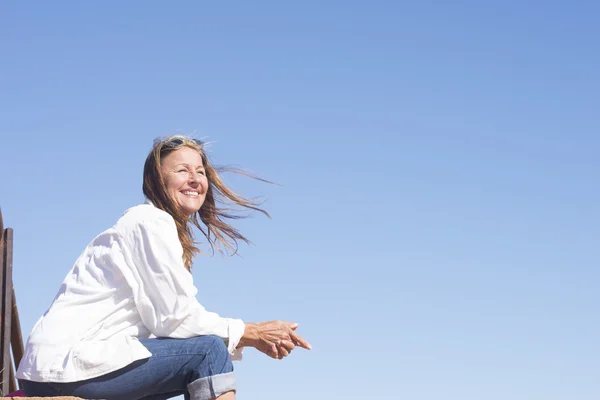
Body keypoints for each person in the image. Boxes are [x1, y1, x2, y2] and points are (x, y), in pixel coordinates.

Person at [16, 135, 311, 400]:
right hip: (64, 369)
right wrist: (251, 332)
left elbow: (167, 324)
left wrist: (249, 334)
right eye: (182, 170)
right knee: (208, 352)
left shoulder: (153, 226)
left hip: (57, 370)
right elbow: (174, 319)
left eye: (200, 172)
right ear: (158, 179)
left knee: (196, 362)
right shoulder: (149, 221)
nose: (195, 179)